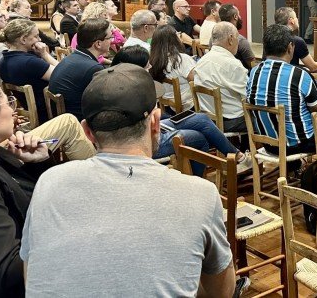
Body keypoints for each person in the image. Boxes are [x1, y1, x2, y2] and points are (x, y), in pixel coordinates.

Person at [20, 64, 237, 297]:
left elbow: (30, 273)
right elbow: (222, 292)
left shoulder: (48, 183)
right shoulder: (200, 193)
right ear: (156, 122)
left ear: (87, 132)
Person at [0, 76, 56, 297]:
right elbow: (6, 269)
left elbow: (31, 195)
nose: (14, 110)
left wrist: (38, 161)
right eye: (8, 103)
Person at [112, 46, 252, 175]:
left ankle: (236, 157)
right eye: (147, 66)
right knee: (200, 137)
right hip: (144, 140)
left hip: (150, 129)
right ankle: (201, 177)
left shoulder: (119, 84)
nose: (151, 67)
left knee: (201, 120)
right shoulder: (131, 93)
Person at [247, 24, 317, 155]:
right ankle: (316, 171)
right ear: (290, 47)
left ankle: (294, 168)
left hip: (268, 143)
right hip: (298, 144)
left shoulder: (254, 72)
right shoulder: (300, 75)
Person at [0, 19, 58, 123]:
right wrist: (45, 55)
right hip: (48, 112)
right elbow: (64, 73)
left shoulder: (4, 60)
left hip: (29, 107)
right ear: (23, 39)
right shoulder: (29, 62)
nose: (39, 39)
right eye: (36, 36)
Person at [48, 19, 111, 120]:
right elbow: (105, 101)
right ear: (98, 43)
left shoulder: (70, 58)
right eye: (110, 37)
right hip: (78, 122)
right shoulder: (93, 68)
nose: (112, 41)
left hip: (62, 119)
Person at [193, 22, 248, 133]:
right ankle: (247, 149)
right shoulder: (233, 64)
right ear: (231, 39)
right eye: (238, 38)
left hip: (207, 118)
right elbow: (249, 95)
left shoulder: (201, 61)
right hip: (231, 121)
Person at [149, 25, 195, 112]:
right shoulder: (181, 59)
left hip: (164, 105)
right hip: (186, 107)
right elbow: (197, 81)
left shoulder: (153, 60)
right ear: (173, 39)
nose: (179, 35)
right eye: (177, 34)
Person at [274, 7, 317, 72]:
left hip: (272, 73)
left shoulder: (269, 38)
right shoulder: (297, 41)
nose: (297, 19)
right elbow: (313, 68)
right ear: (291, 20)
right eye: (296, 17)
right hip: (289, 76)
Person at [218, 3, 254, 70]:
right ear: (235, 16)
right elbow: (252, 65)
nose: (240, 17)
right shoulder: (240, 41)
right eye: (239, 14)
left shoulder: (213, 39)